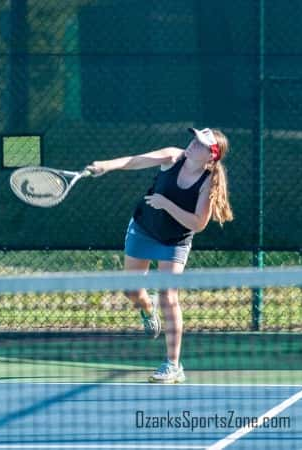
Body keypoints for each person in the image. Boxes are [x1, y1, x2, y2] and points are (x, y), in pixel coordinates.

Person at [87, 128, 233, 383]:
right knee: (132, 291)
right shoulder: (172, 157)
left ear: (211, 156)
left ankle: (173, 365)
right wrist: (105, 165)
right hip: (143, 229)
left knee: (168, 295)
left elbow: (198, 223)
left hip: (175, 241)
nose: (192, 145)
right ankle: (147, 308)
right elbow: (136, 160)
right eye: (194, 139)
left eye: (200, 144)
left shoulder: (208, 181)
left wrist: (166, 203)